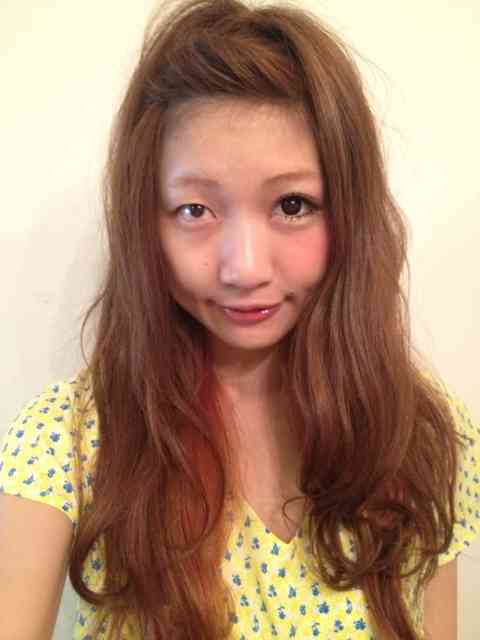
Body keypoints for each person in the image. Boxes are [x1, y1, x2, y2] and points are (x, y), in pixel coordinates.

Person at [0, 0, 478, 638]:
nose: (245, 268)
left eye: (292, 205)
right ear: (147, 221)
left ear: (350, 215)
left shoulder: (420, 434)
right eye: (196, 210)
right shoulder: (70, 440)